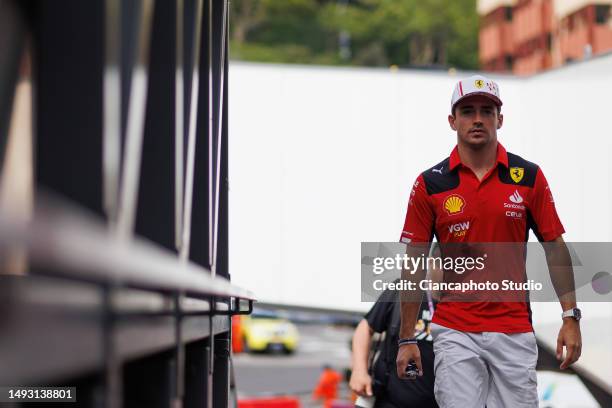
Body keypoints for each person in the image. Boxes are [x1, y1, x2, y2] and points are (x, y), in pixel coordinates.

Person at [395, 75, 582, 407]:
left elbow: (555, 246)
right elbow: (413, 262)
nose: (477, 119)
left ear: (500, 119)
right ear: (452, 120)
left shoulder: (528, 177)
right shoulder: (430, 184)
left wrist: (571, 316)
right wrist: (406, 337)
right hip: (454, 329)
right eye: (467, 111)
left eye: (486, 110)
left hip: (514, 329)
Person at [350, 259, 441, 408]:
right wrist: (359, 370)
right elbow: (365, 327)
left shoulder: (465, 304)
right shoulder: (402, 289)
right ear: (432, 263)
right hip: (390, 400)